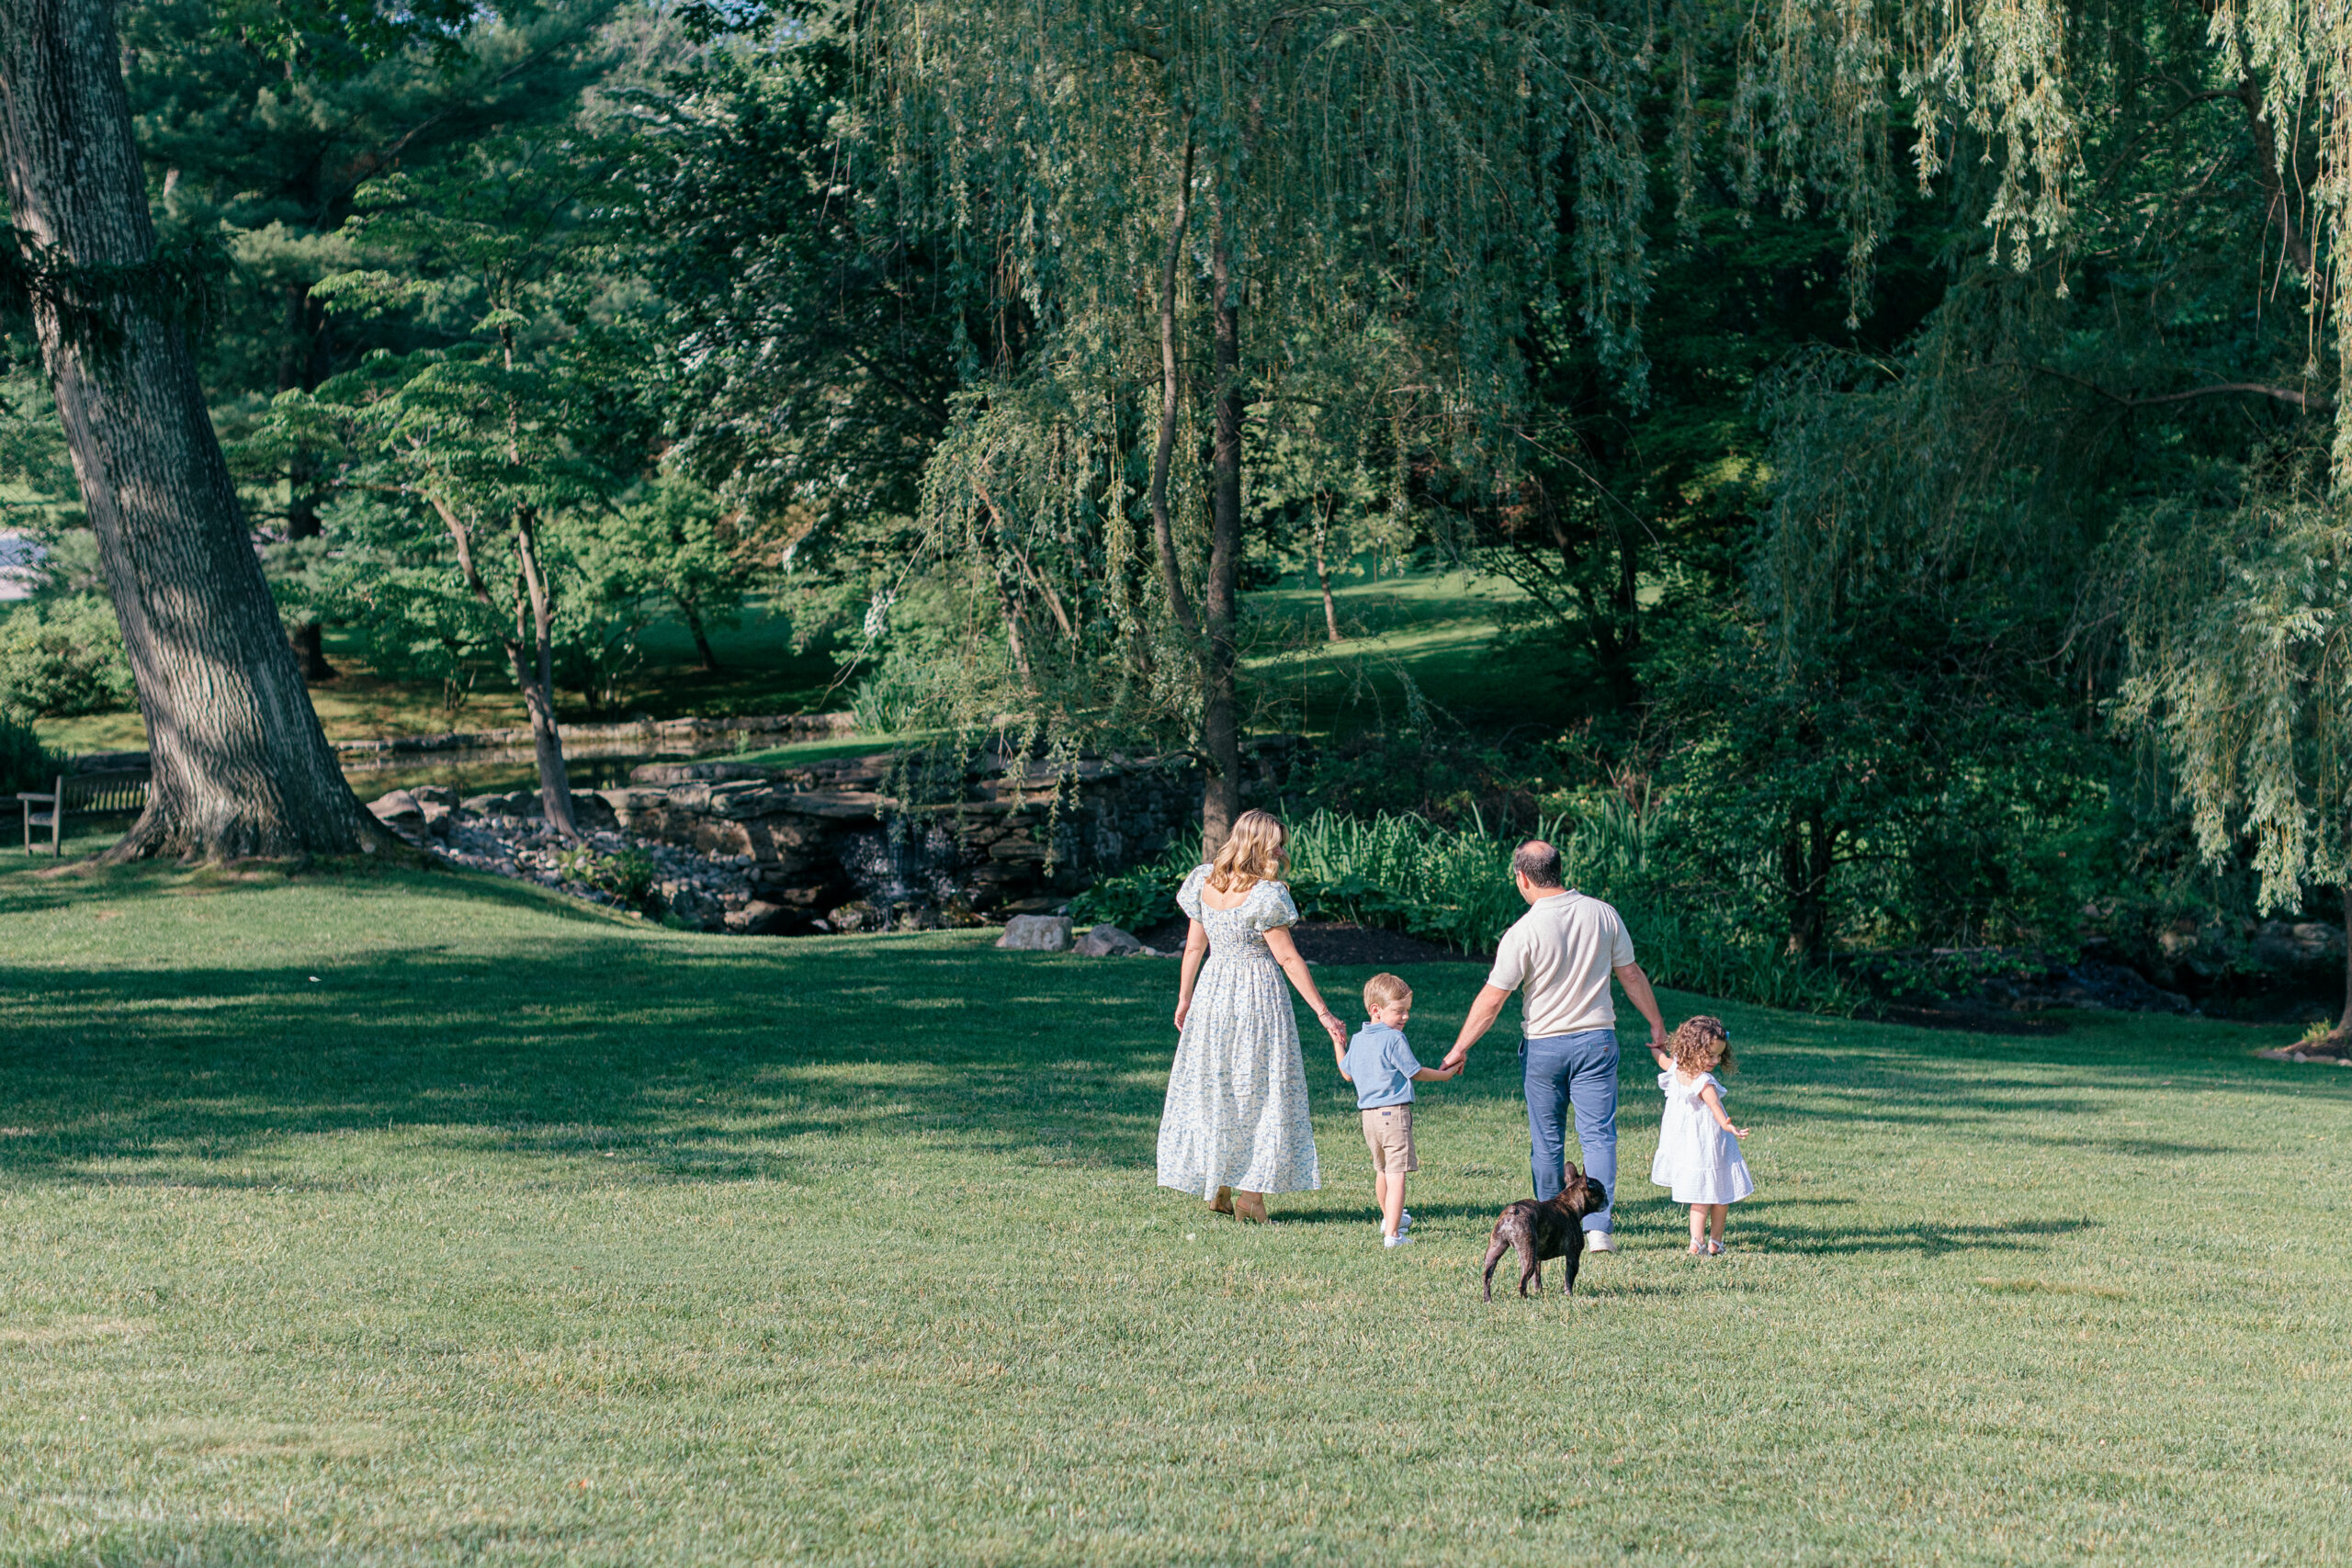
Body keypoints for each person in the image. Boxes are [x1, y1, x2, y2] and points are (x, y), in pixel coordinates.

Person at [1440, 840, 1666, 1253]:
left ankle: (1548, 1227)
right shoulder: (1602, 914)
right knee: (1599, 1137)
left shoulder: (1523, 931)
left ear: (1522, 878)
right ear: (1559, 870)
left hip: (1544, 1047)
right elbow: (1631, 975)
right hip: (1597, 1041)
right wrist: (1656, 1026)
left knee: (1547, 1142)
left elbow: (1492, 1000)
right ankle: (1598, 1230)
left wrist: (1459, 1048)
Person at [1159, 809, 1351, 1223]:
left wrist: (1185, 997)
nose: (1282, 851)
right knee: (1259, 1088)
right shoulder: (1266, 895)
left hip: (1213, 993)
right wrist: (1323, 1012)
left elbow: (1193, 949)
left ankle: (1220, 1186)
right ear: (1260, 844)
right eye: (1276, 843)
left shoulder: (1205, 880)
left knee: (1220, 1085)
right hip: (1255, 997)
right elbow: (1287, 958)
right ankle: (1250, 1196)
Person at [1338, 973, 1460, 1248]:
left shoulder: (1357, 1039)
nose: (1405, 1017)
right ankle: (1393, 1235)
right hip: (1393, 1115)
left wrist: (1337, 1042)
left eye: (1407, 1011)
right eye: (1399, 1011)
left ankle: (1388, 1219)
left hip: (1368, 1119)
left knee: (1381, 1170)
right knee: (1397, 1176)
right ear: (1376, 1011)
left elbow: (1346, 1074)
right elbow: (1414, 1072)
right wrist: (1445, 1075)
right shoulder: (1394, 1039)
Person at [1646, 1016, 1754, 1255]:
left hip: (1689, 1144)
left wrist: (1657, 1049)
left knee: (1700, 1194)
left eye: (1719, 1055)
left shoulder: (1678, 1068)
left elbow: (1663, 1061)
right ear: (1693, 1049)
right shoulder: (1704, 1081)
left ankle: (1697, 1241)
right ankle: (1715, 1241)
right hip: (1711, 1142)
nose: (1715, 1061)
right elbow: (1715, 1105)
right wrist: (1727, 1126)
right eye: (1710, 1055)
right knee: (1720, 1194)